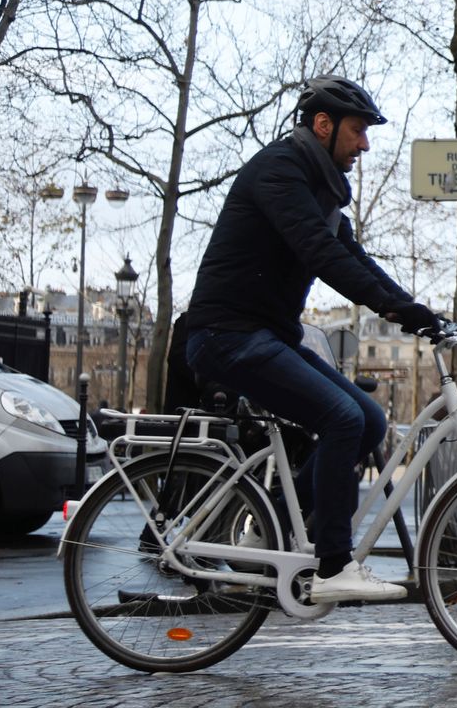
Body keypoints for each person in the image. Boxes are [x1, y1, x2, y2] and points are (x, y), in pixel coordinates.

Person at [182, 75, 438, 603]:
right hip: (225, 334)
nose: (365, 144)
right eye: (358, 130)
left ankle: (268, 527)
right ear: (322, 125)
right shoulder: (280, 171)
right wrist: (392, 307)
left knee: (369, 421)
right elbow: (322, 255)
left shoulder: (318, 185)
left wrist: (415, 310)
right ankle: (332, 565)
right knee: (342, 417)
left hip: (264, 333)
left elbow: (355, 257)